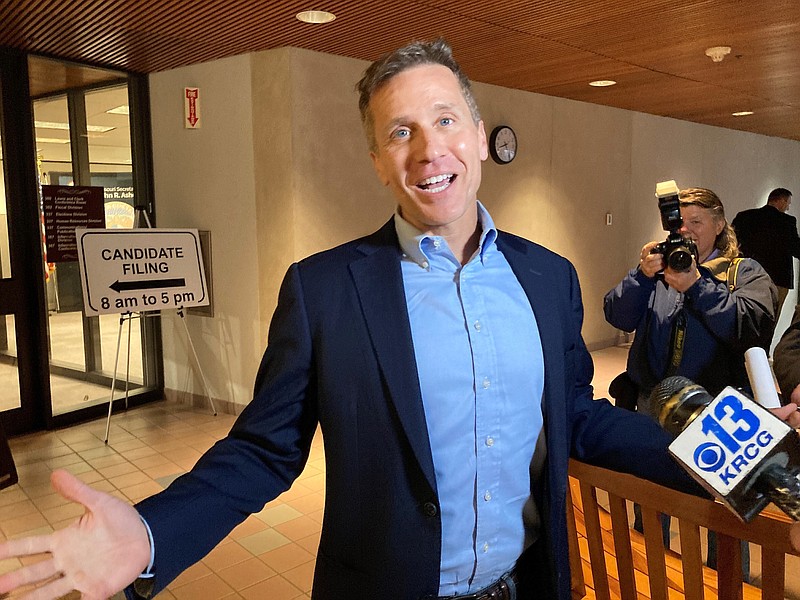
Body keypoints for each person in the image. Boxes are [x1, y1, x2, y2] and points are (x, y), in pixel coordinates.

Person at [0, 39, 710, 600]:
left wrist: (719, 458)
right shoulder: (324, 291)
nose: (429, 149)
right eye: (400, 132)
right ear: (377, 160)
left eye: (444, 120)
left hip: (531, 586)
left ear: (476, 132)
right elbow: (264, 452)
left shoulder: (548, 277)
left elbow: (575, 416)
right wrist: (154, 533)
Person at [604, 187, 778, 569]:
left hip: (719, 411)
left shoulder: (743, 271)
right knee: (652, 494)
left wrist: (697, 286)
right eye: (680, 222)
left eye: (697, 221)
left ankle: (726, 581)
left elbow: (751, 325)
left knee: (722, 510)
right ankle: (646, 572)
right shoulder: (660, 269)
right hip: (655, 403)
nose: (687, 229)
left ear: (718, 225)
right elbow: (617, 315)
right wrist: (640, 276)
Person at [733, 187, 800, 321]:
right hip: (777, 279)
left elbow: (731, 243)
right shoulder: (787, 222)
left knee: (742, 317)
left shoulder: (744, 216)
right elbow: (795, 248)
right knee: (770, 321)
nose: (787, 207)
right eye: (788, 203)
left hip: (746, 275)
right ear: (782, 200)